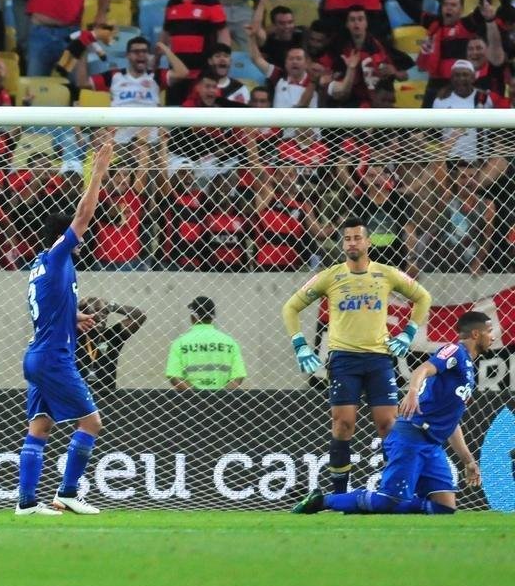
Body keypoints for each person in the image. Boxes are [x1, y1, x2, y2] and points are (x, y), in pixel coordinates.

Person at [281, 216, 433, 494]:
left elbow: (423, 296)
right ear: (343, 243)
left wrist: (409, 333)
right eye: (347, 238)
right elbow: (290, 307)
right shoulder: (330, 276)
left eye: (357, 238)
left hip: (379, 360)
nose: (352, 243)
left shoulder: (386, 274)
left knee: (389, 425)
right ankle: (340, 495)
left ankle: (393, 490)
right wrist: (300, 344)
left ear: (368, 241)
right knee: (343, 424)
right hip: (343, 359)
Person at [292, 311, 490, 515]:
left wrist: (468, 461)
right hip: (412, 435)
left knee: (444, 508)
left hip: (431, 443)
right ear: (476, 334)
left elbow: (451, 421)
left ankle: (396, 504)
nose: (492, 337)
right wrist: (412, 392)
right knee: (387, 502)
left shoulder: (467, 367)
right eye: (489, 331)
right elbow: (422, 369)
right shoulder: (454, 351)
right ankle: (323, 500)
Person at [15, 142, 112, 516]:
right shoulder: (58, 257)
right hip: (54, 358)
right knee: (92, 422)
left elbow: (45, 310)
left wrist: (74, 319)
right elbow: (84, 215)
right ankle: (68, 493)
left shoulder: (41, 266)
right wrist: (97, 173)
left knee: (39, 427)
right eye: (77, 234)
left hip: (37, 354)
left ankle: (26, 502)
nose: (83, 238)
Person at [160, 0, 231, 104]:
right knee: (175, 119)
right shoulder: (172, 4)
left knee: (200, 119)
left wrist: (222, 59)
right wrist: (157, 57)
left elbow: (222, 33)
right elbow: (166, 34)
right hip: (177, 73)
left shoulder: (211, 2)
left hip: (202, 75)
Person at [164, 297, 246, 390]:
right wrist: (222, 397)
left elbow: (174, 376)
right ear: (212, 317)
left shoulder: (180, 343)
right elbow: (238, 376)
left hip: (190, 403)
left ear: (193, 316)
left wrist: (195, 396)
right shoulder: (230, 343)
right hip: (223, 403)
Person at [76, 297, 146, 390]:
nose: (101, 315)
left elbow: (140, 316)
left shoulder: (111, 335)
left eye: (105, 312)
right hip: (78, 394)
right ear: (84, 315)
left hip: (108, 396)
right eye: (96, 310)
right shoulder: (73, 334)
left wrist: (112, 306)